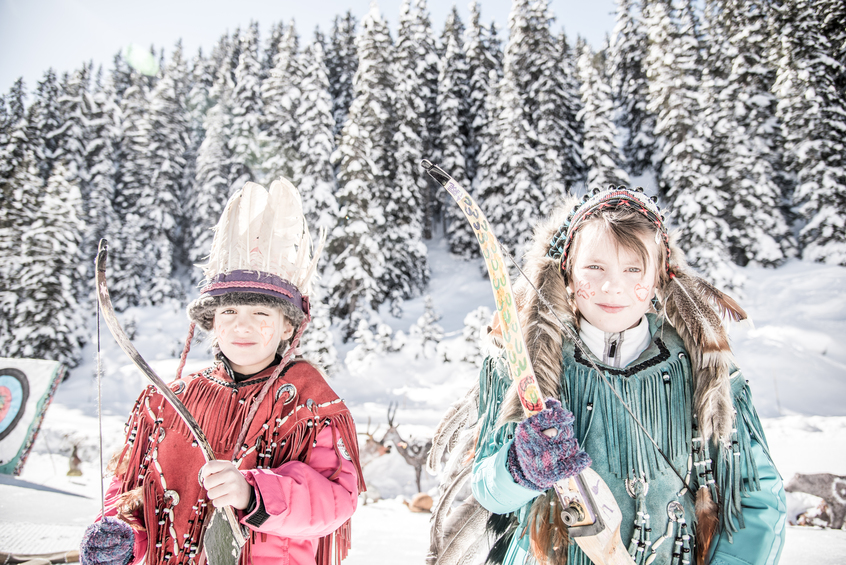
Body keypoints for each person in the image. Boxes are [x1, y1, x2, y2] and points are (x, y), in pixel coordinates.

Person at [468, 186, 786, 565]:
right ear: (567, 270)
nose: (612, 285)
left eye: (633, 268)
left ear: (658, 278)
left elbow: (756, 497)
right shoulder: (524, 367)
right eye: (594, 267)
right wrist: (519, 467)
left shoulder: (706, 368)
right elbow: (488, 489)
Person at [80, 179, 364, 565]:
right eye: (229, 312)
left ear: (286, 328)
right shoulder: (168, 400)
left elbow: (336, 499)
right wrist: (122, 538)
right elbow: (130, 493)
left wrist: (253, 493)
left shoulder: (310, 402)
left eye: (260, 313)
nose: (242, 326)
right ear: (212, 322)